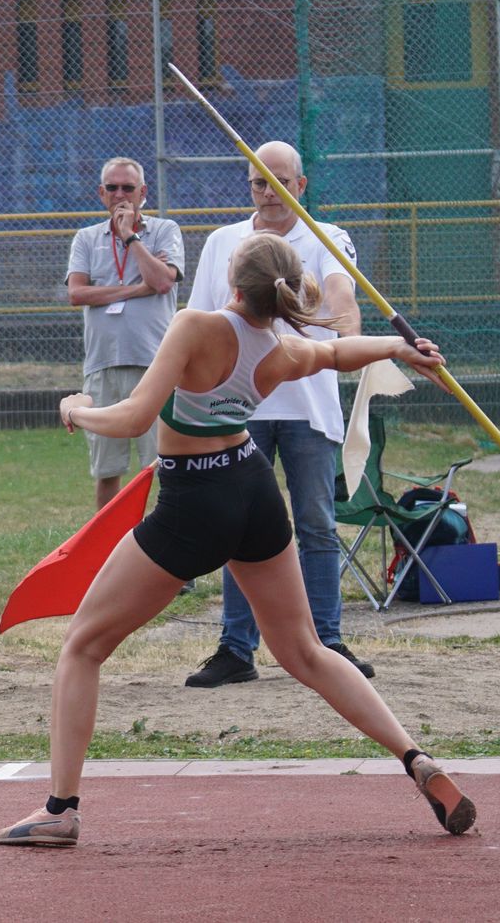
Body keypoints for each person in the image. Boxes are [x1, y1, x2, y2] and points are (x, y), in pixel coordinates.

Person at [0, 233, 473, 848]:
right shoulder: (282, 348)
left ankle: (60, 810)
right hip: (253, 490)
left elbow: (134, 418)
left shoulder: (195, 326)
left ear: (231, 281)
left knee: (83, 646)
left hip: (194, 503)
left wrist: (76, 410)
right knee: (305, 652)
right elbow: (337, 353)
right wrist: (400, 347)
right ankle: (415, 758)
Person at [182, 140, 372, 687]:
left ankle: (327, 642)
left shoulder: (328, 238)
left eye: (280, 182)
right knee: (235, 525)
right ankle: (235, 648)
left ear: (301, 185)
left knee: (316, 523)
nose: (269, 193)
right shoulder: (223, 243)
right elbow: (198, 321)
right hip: (240, 405)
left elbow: (341, 297)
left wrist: (347, 340)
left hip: (308, 406)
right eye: (259, 182)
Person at [66, 156, 185, 509]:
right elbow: (77, 293)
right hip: (103, 365)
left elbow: (162, 281)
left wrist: (130, 236)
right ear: (101, 193)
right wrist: (134, 289)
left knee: (163, 464)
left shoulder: (164, 231)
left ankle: (163, 535)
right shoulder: (87, 238)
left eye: (128, 188)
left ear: (143, 192)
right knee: (107, 470)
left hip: (155, 365)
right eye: (112, 188)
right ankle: (108, 541)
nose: (120, 195)